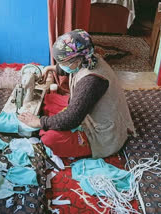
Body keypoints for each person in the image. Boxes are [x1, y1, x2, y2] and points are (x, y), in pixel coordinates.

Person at [18, 29, 135, 158]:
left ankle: (90, 146)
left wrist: (39, 122)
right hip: (90, 114)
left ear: (76, 61)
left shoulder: (91, 81)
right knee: (50, 100)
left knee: (49, 138)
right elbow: (72, 69)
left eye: (62, 62)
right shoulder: (89, 57)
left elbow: (72, 119)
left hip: (103, 134)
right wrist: (50, 69)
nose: (61, 65)